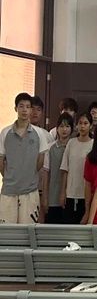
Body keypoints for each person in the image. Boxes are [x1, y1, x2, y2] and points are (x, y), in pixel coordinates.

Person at [0, 93, 50, 224]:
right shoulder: (5, 132)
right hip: (9, 191)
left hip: (30, 191)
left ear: (31, 110)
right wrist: (11, 176)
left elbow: (40, 161)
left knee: (28, 230)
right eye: (21, 106)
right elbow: (1, 161)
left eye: (28, 107)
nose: (24, 110)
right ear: (15, 108)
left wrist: (28, 175)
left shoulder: (39, 133)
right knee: (7, 231)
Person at [59, 112, 93, 224]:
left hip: (86, 194)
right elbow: (65, 169)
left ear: (90, 126)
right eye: (80, 123)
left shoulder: (93, 145)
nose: (82, 126)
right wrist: (63, 192)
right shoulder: (71, 143)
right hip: (70, 193)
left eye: (85, 123)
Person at [42, 113, 73, 224]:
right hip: (53, 197)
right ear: (57, 128)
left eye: (67, 126)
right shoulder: (50, 148)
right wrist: (45, 198)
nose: (64, 129)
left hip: (70, 197)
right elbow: (46, 174)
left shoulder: (74, 146)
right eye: (61, 126)